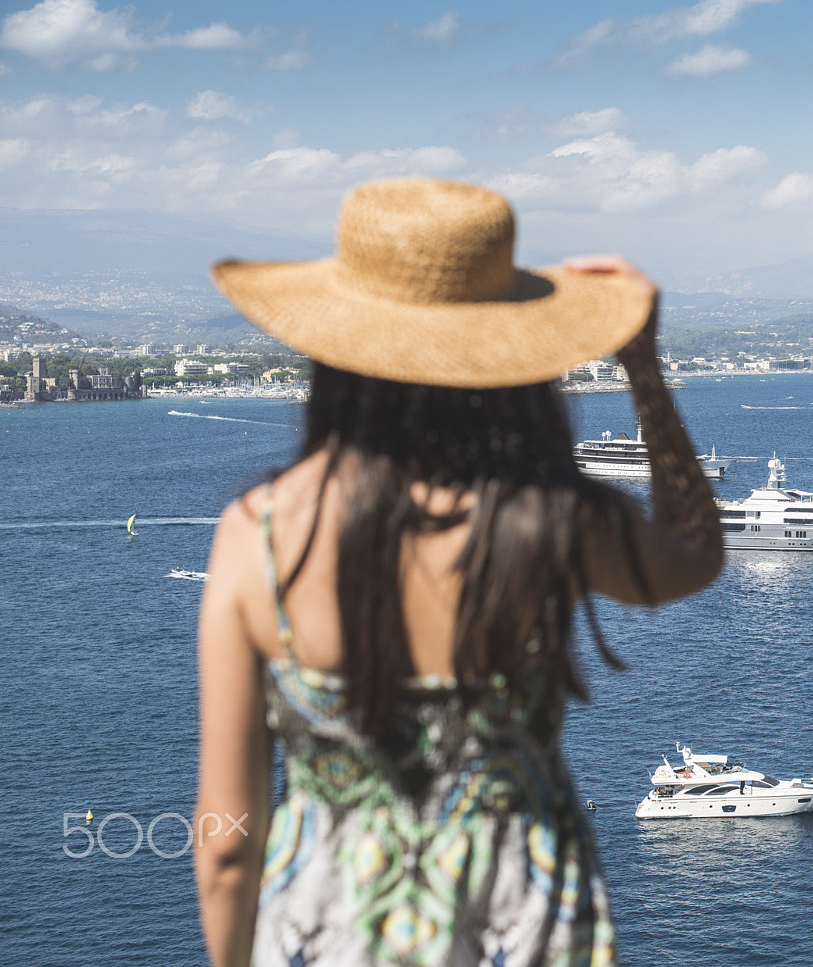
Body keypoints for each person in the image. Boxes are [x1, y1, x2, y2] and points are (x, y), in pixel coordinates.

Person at [192, 178, 723, 967]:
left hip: (327, 935)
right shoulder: (552, 518)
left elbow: (227, 841)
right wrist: (642, 367)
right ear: (511, 348)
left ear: (338, 347)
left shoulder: (258, 537)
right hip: (526, 930)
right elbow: (695, 555)